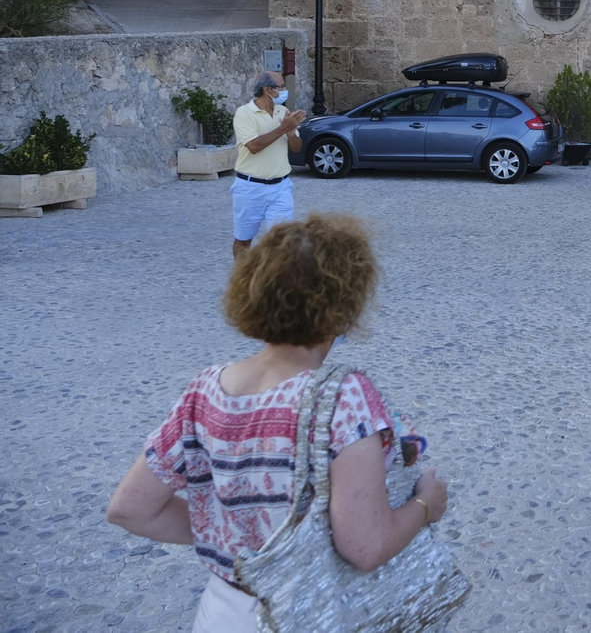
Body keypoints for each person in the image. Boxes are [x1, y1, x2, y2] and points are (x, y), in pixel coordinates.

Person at [106, 215, 448, 631]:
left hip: (223, 614)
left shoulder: (203, 391)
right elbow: (366, 546)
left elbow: (130, 509)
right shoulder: (342, 397)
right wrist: (426, 505)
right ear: (344, 309)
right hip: (311, 611)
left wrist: (237, 541)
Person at [230, 71, 305, 259]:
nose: (285, 90)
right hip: (250, 187)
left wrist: (291, 133)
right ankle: (244, 281)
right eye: (281, 86)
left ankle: (275, 283)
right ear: (268, 89)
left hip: (280, 188)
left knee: (282, 241)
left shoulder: (283, 112)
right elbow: (254, 146)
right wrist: (283, 129)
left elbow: (296, 147)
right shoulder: (244, 113)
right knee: (244, 240)